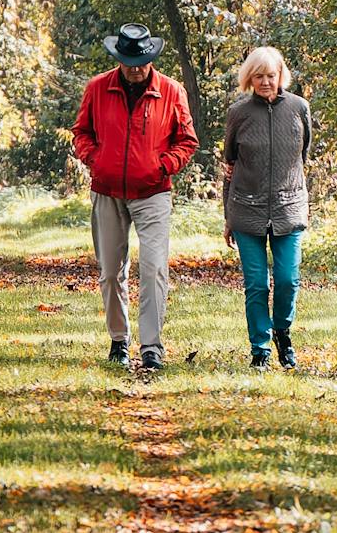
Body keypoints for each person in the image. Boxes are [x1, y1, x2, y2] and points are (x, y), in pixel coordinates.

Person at [71, 24, 199, 372]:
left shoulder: (171, 91)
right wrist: (95, 159)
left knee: (155, 267)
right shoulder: (98, 88)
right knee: (111, 272)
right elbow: (81, 132)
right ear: (118, 59)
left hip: (153, 193)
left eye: (141, 62)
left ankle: (152, 347)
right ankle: (118, 340)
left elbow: (187, 140)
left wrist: (164, 166)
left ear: (151, 58)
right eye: (128, 62)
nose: (135, 68)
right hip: (107, 190)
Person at [221, 46, 312, 370]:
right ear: (249, 78)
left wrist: (298, 199)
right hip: (247, 210)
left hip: (289, 209)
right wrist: (227, 215)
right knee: (257, 284)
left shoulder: (300, 108)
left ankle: (282, 334)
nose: (265, 82)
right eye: (258, 76)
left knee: (288, 279)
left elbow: (302, 157)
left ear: (280, 76)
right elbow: (229, 164)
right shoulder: (239, 113)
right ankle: (260, 348)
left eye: (270, 76)